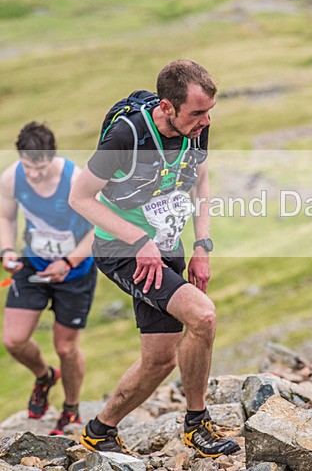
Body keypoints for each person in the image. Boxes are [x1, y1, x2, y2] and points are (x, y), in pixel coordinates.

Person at [69, 60, 239, 457]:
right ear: (166, 107)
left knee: (160, 360)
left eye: (209, 111)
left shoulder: (196, 129)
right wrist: (138, 239)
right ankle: (197, 424)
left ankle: (99, 431)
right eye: (197, 113)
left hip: (165, 245)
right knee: (203, 316)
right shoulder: (126, 137)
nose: (206, 121)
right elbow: (80, 197)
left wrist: (202, 245)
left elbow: (201, 181)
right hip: (123, 249)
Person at [0, 122, 97, 435]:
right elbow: (5, 216)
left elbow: (99, 229)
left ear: (52, 157)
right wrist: (6, 250)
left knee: (66, 348)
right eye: (28, 167)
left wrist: (68, 262)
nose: (34, 174)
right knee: (13, 340)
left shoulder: (75, 179)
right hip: (34, 264)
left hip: (75, 271)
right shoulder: (11, 178)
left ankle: (71, 409)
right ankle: (44, 376)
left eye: (40, 167)